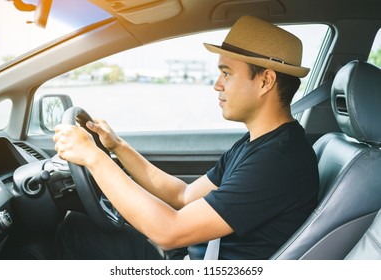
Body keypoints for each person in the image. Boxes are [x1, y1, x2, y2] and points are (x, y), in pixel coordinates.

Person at [53, 15, 319, 260]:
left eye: (226, 73)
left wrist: (94, 158)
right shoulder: (258, 143)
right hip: (196, 257)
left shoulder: (278, 161)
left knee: (75, 232)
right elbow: (184, 195)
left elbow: (170, 232)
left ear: (265, 81)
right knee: (78, 226)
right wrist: (117, 147)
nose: (217, 84)